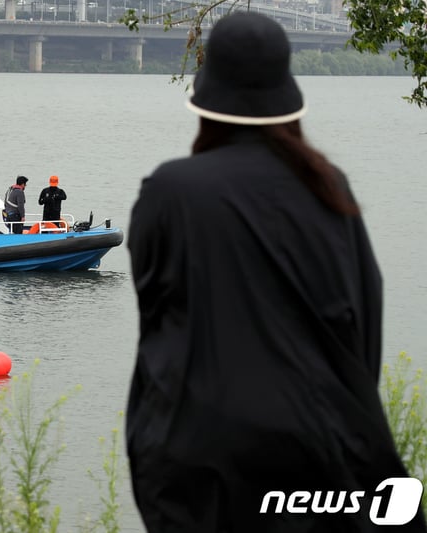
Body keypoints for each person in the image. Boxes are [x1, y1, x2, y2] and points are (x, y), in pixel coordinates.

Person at [126, 12, 426, 533]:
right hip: (327, 453)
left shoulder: (171, 191)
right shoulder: (330, 186)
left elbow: (158, 327)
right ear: (286, 95)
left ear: (205, 100)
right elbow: (363, 324)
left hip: (203, 464)